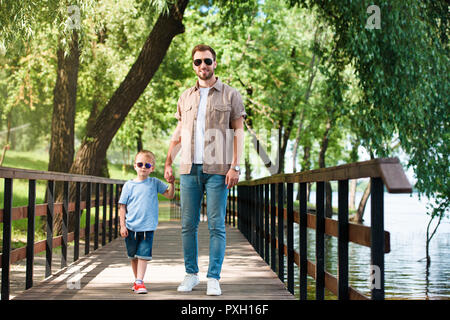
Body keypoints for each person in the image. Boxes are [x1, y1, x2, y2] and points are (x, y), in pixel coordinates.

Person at [164, 44, 246, 296]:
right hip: (188, 168)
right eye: (198, 62)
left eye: (207, 61)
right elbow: (178, 133)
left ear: (215, 63)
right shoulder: (185, 96)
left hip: (219, 170)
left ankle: (213, 278)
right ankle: (191, 275)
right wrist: (168, 161)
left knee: (216, 225)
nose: (203, 66)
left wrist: (236, 166)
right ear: (193, 65)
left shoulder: (230, 95)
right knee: (187, 225)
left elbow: (238, 132)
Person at [119, 150, 174, 294]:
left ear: (152, 168)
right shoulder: (129, 185)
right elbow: (122, 206)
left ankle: (139, 281)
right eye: (140, 164)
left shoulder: (154, 183)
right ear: (135, 166)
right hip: (130, 227)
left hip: (147, 227)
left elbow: (169, 195)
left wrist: (172, 184)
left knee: (143, 254)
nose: (143, 167)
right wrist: (122, 225)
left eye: (147, 165)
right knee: (133, 255)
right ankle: (137, 280)